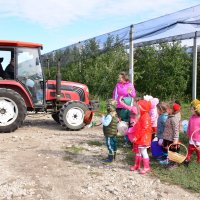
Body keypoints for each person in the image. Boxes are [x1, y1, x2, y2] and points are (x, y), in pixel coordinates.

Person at [112, 71, 136, 146]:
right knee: (117, 122)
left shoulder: (129, 85)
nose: (119, 79)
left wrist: (129, 92)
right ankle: (113, 139)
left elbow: (133, 95)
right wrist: (113, 104)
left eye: (120, 77)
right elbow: (114, 95)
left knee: (126, 123)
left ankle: (127, 141)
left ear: (124, 78)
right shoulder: (117, 85)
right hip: (118, 106)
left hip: (126, 106)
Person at [129, 99, 152, 174]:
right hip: (140, 137)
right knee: (137, 151)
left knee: (143, 152)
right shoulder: (142, 115)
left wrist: (137, 136)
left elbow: (144, 129)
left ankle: (146, 167)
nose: (137, 109)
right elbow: (139, 126)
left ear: (142, 108)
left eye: (138, 107)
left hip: (143, 138)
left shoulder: (145, 116)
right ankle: (137, 165)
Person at [159, 102, 180, 167]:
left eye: (168, 109)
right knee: (168, 150)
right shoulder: (169, 116)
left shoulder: (173, 119)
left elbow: (176, 130)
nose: (166, 110)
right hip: (167, 137)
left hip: (171, 138)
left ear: (172, 110)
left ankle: (174, 164)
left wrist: (175, 139)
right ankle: (169, 160)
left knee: (173, 151)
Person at [101, 99, 118, 163]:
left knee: (109, 145)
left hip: (109, 133)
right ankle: (113, 157)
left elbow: (105, 123)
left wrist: (102, 118)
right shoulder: (115, 114)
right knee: (114, 144)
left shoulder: (109, 115)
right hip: (114, 133)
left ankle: (110, 159)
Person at [184, 99, 200, 167]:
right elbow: (189, 126)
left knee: (198, 150)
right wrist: (188, 134)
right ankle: (187, 159)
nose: (191, 110)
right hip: (191, 137)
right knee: (190, 149)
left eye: (192, 109)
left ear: (196, 110)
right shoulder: (191, 117)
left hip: (198, 138)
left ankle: (199, 159)